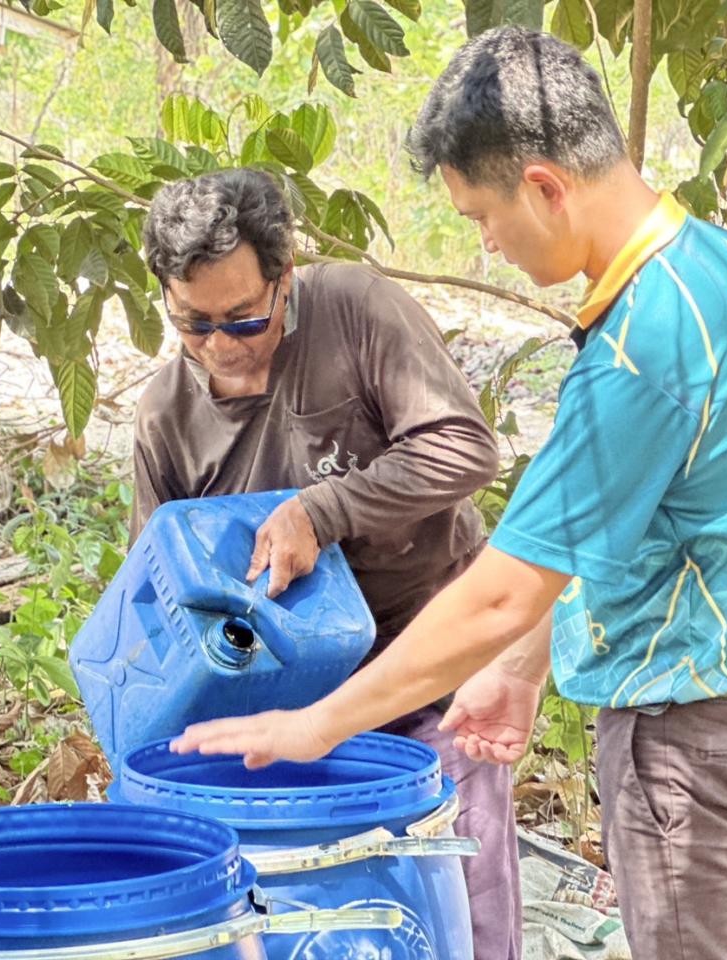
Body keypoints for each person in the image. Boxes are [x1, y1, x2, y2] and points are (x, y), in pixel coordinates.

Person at [171, 28, 727, 960]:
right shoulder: (714, 265)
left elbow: (499, 592)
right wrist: (520, 667)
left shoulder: (640, 350)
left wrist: (316, 725)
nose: (486, 243)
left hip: (696, 744)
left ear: (546, 188)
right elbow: (621, 527)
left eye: (482, 215)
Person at [132, 167, 528, 960]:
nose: (220, 347)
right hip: (283, 710)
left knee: (459, 902)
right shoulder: (166, 416)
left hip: (426, 670)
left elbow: (464, 448)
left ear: (284, 278)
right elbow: (156, 598)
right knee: (305, 920)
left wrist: (325, 511)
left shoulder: (355, 309)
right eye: (193, 325)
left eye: (243, 320)